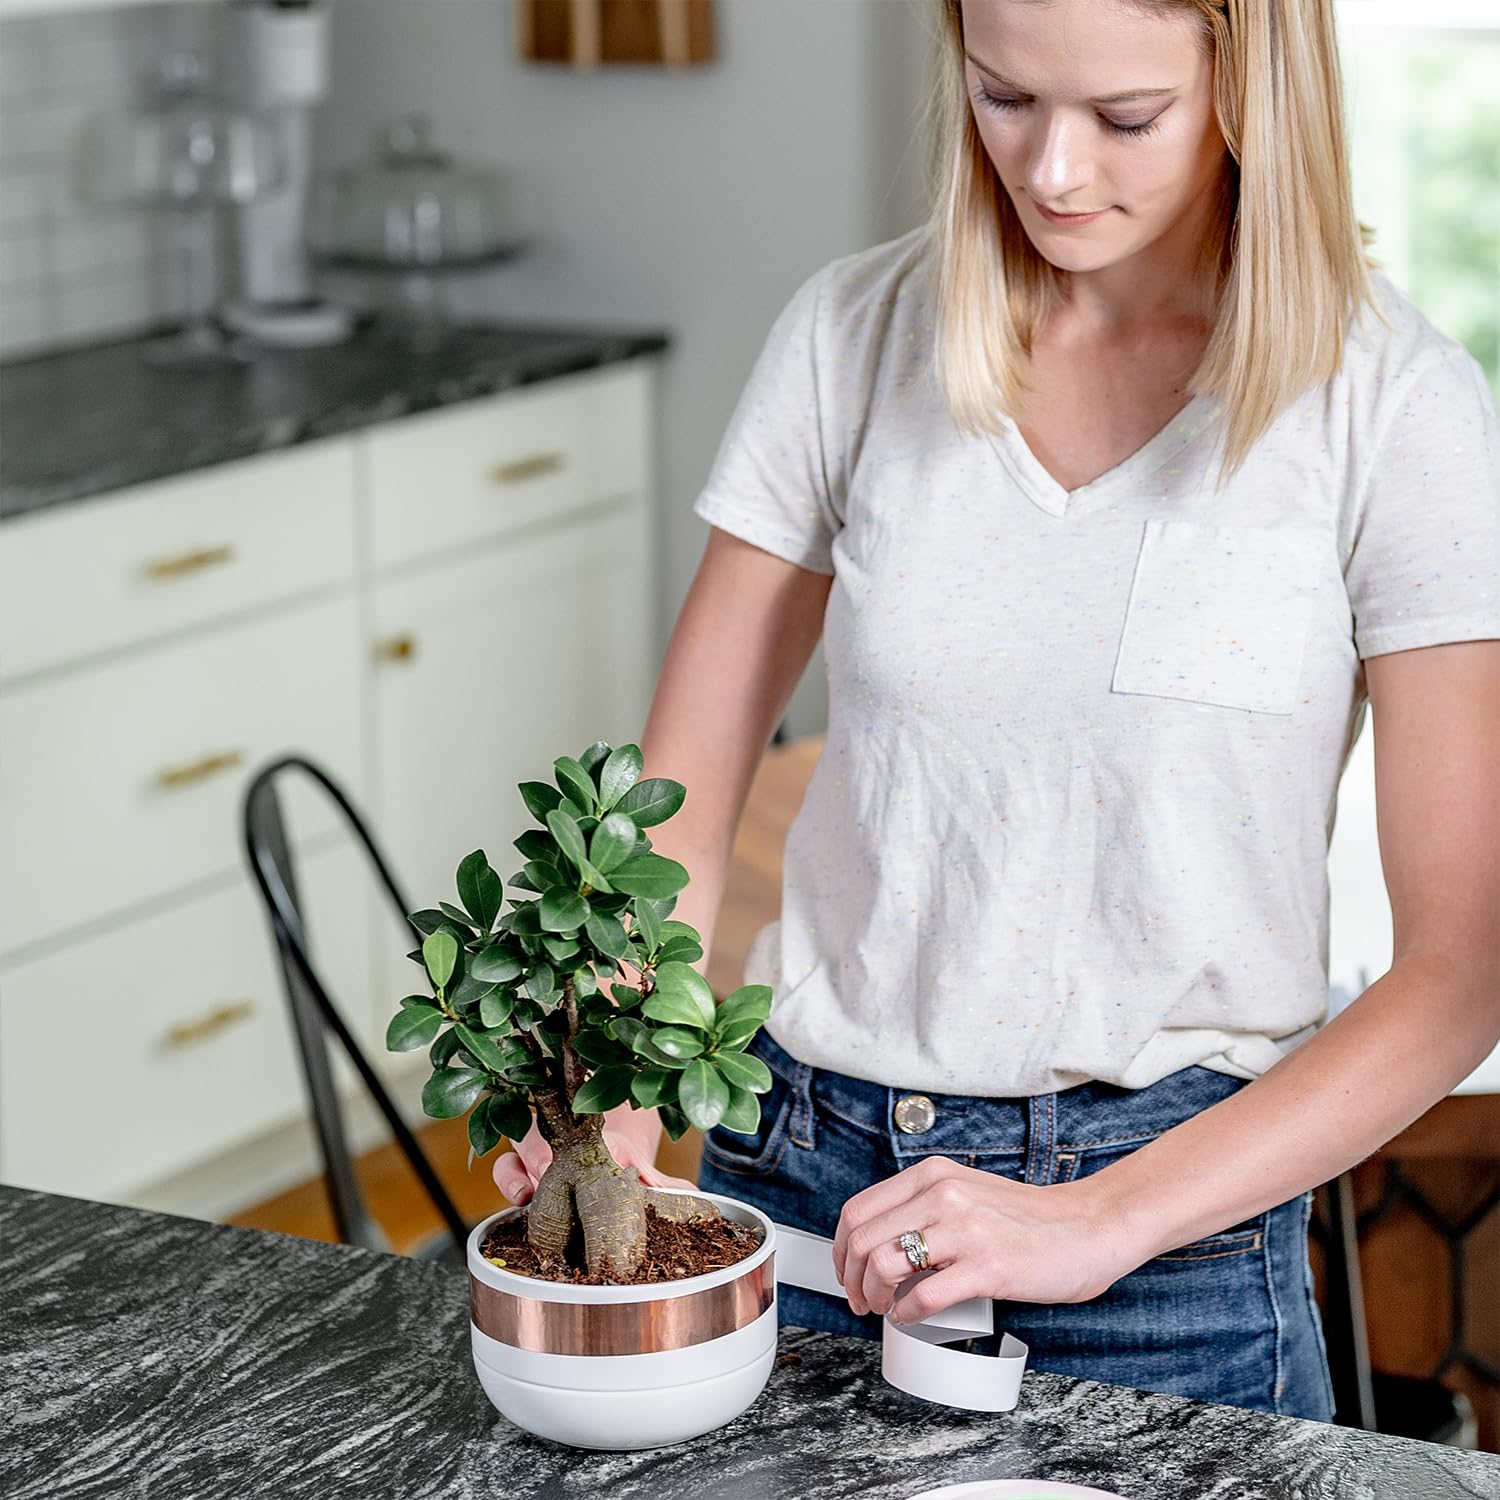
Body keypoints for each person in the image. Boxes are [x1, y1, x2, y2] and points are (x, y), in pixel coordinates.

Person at [493, 0, 1500, 1419]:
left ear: (1250, 80)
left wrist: (1099, 1219)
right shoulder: (852, 335)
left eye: (1128, 118)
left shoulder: (1396, 408)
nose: (1054, 172)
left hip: (1171, 1252)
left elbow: (1461, 975)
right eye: (1004, 96)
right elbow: (667, 824)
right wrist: (616, 1102)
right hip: (798, 1179)